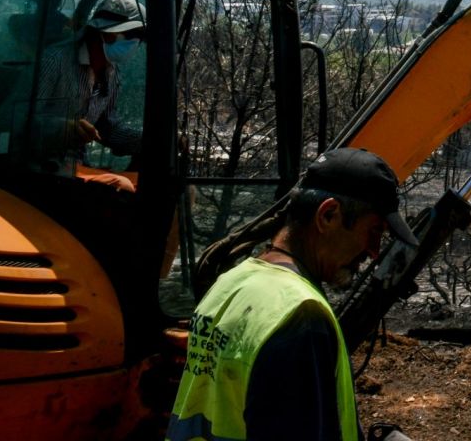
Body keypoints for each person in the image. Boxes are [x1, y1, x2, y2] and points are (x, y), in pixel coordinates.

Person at [166, 147, 421, 441]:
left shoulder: (229, 284)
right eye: (373, 231)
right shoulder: (301, 317)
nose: (374, 251)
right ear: (328, 215)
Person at [0, 0, 146, 187]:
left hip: (76, 167)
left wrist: (154, 140)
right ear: (108, 34)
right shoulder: (54, 61)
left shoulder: (112, 73)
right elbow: (10, 121)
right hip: (38, 168)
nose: (136, 43)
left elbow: (108, 129)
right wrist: (63, 128)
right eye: (132, 36)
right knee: (121, 185)